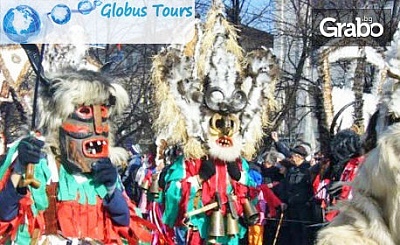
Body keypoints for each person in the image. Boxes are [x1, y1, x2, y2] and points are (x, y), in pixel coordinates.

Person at [0, 67, 154, 244]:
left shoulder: (102, 172)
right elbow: (5, 216)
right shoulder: (42, 164)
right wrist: (20, 169)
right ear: (59, 119)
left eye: (102, 113)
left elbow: (124, 224)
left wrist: (112, 189)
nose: (97, 128)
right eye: (85, 112)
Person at [279, 145, 315, 245]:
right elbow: (286, 187)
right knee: (294, 232)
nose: (291, 158)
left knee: (304, 233)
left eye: (293, 156)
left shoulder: (308, 169)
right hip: (291, 206)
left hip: (304, 207)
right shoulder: (291, 170)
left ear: (299, 157)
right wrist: (284, 201)